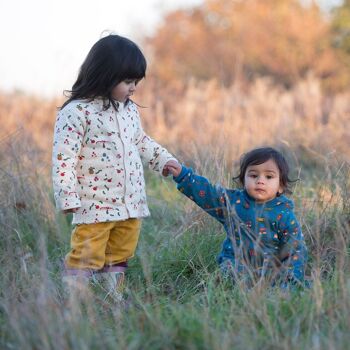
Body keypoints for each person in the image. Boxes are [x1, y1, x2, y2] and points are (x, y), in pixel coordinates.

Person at [52, 34, 179, 301]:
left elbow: (140, 141)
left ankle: (113, 298)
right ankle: (76, 302)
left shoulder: (128, 110)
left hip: (130, 201)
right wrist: (67, 195)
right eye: (128, 81)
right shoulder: (77, 112)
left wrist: (163, 159)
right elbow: (64, 157)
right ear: (105, 75)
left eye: (136, 82)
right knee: (87, 252)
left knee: (121, 251)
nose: (133, 88)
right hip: (94, 203)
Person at [165, 147, 308, 289]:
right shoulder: (233, 203)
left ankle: (270, 292)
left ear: (281, 186)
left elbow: (295, 250)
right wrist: (184, 176)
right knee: (227, 274)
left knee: (278, 282)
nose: (260, 181)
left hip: (269, 269)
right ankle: (228, 291)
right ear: (243, 180)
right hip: (235, 264)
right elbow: (208, 194)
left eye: (269, 177)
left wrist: (291, 279)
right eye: (253, 175)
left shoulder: (284, 215)